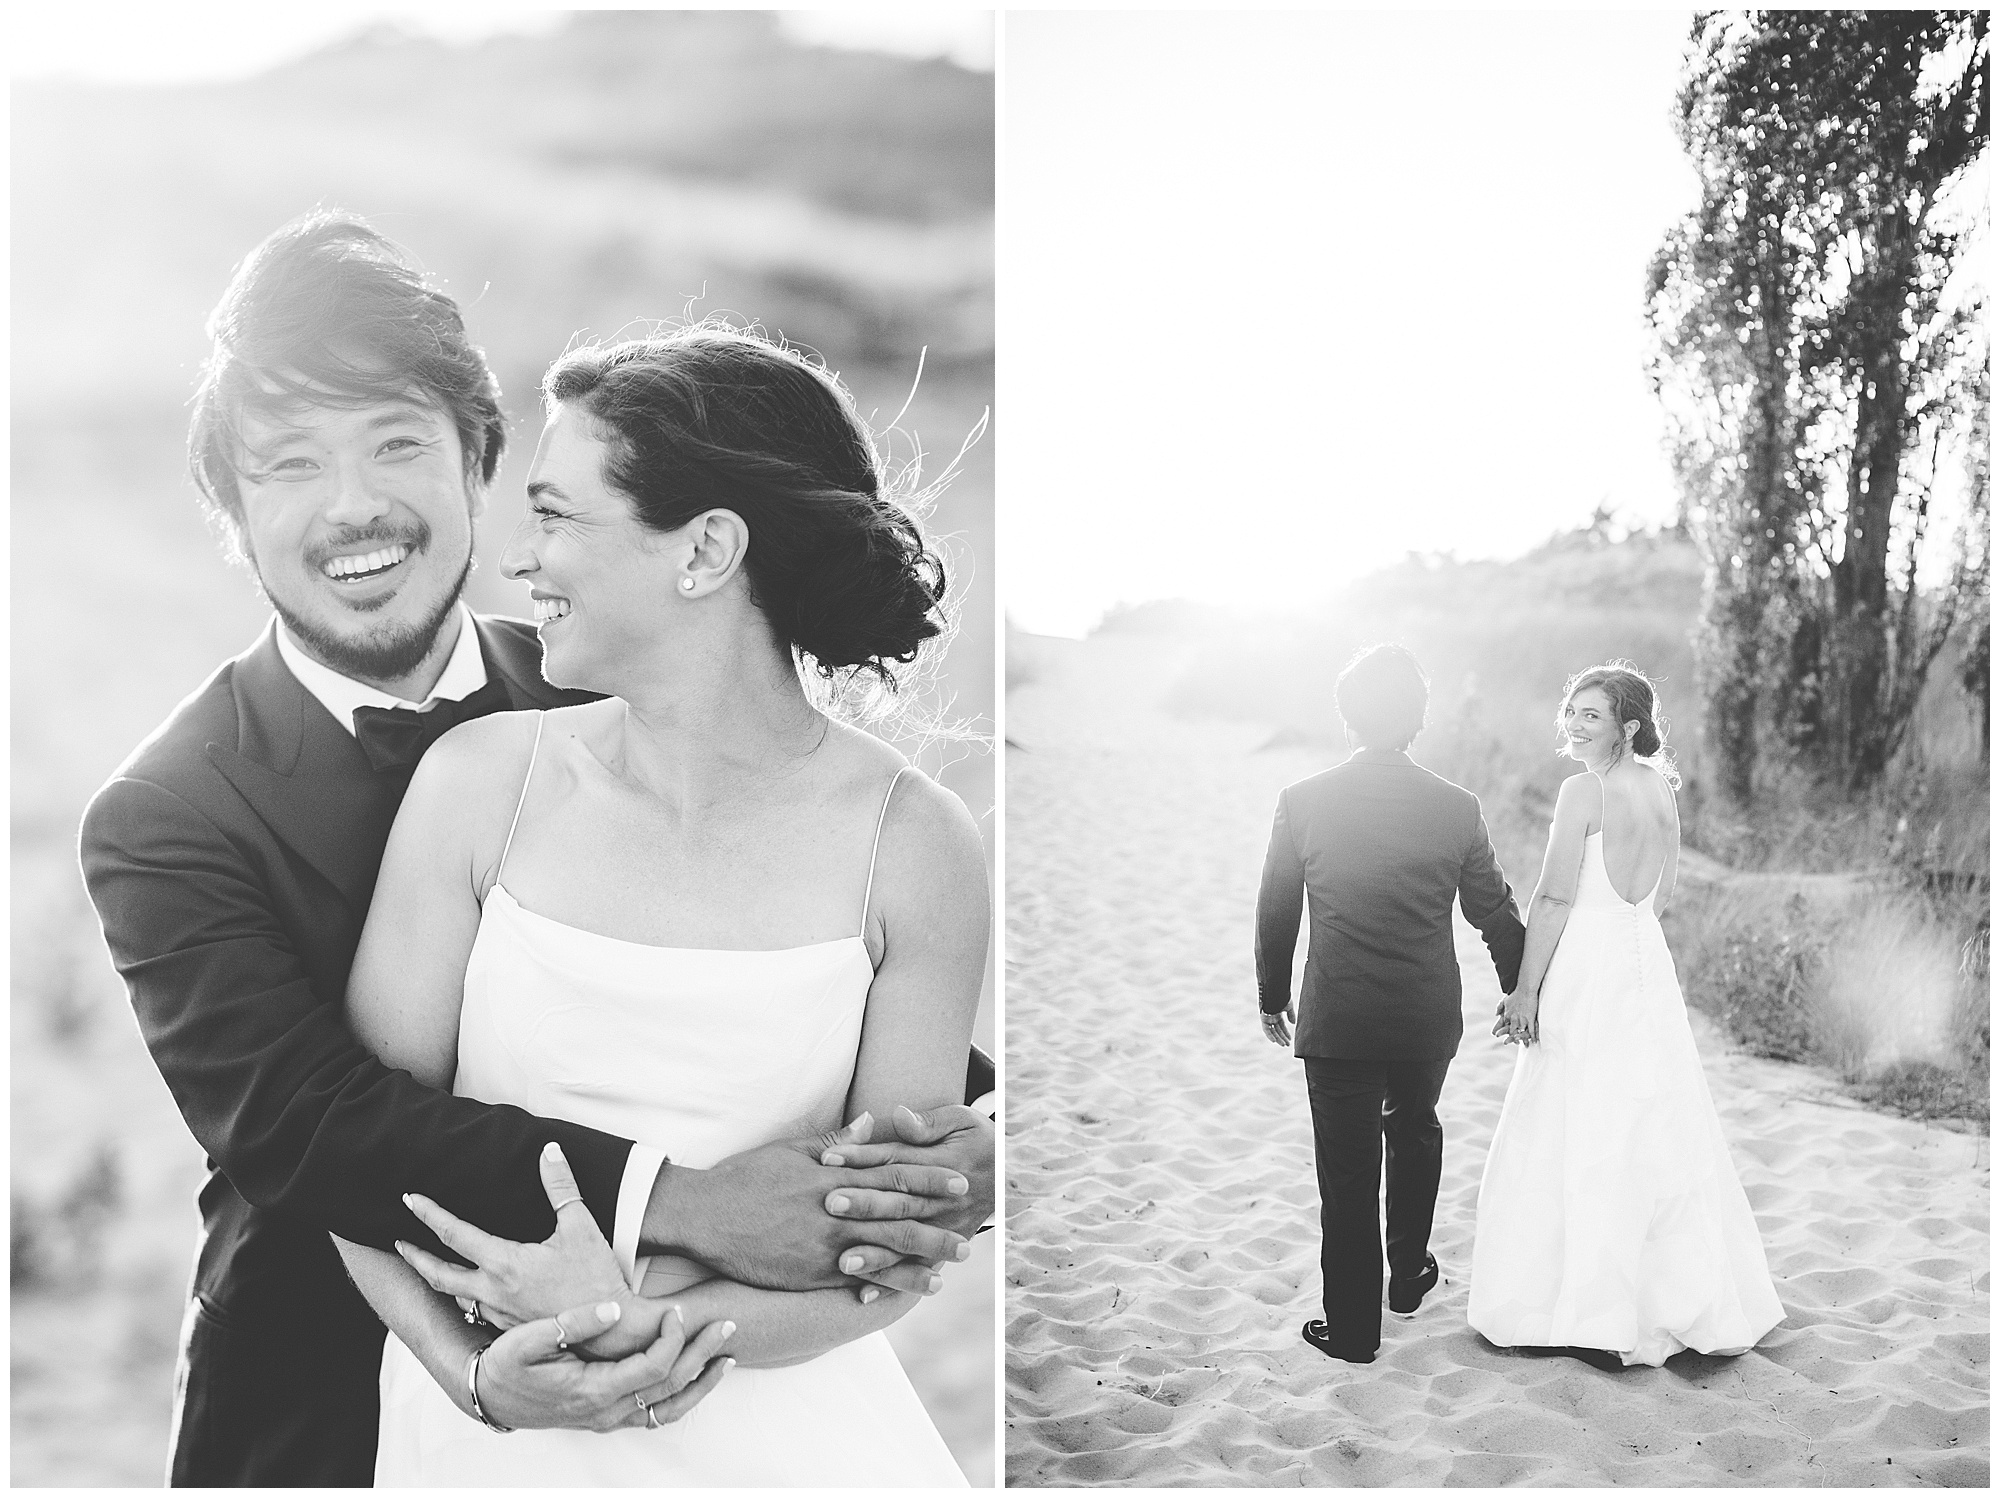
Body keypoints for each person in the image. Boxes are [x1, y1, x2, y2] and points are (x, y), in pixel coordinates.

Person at [78, 212, 994, 1486]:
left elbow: (775, 954)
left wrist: (933, 1140)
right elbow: (307, 1128)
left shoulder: (601, 676)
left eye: (395, 442)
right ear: (230, 510)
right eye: (286, 465)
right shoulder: (168, 813)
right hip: (326, 1399)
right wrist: (667, 1218)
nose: (352, 507)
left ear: (475, 458)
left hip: (763, 1389)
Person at [326, 325, 986, 1485]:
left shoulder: (916, 846)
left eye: (558, 516)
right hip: (491, 1442)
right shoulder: (481, 785)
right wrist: (480, 1373)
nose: (522, 562)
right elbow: (350, 1154)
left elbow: (889, 1255)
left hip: (789, 1442)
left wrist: (653, 1335)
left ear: (705, 551)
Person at [1468, 662, 1783, 1368]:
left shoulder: (1586, 791)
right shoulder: (1663, 791)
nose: (1573, 725)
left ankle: (1585, 1311)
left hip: (1589, 962)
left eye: (1592, 716)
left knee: (1578, 1118)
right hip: (1643, 957)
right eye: (1571, 711)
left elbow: (1551, 900)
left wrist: (1525, 990)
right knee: (1651, 1116)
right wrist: (1629, 936)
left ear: (1628, 727)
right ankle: (1668, 1298)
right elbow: (1664, 888)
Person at [1256, 645, 1526, 1364]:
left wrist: (1271, 996)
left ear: (1346, 716)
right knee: (1414, 1131)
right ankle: (1408, 1274)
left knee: (1346, 1177)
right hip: (1424, 1018)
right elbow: (1493, 912)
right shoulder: (1456, 807)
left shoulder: (1303, 801)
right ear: (1418, 719)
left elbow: (1276, 910)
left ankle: (1351, 1329)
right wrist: (1522, 985)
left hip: (1338, 1020)